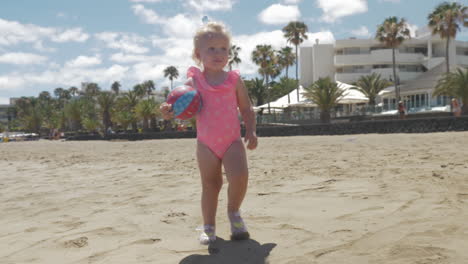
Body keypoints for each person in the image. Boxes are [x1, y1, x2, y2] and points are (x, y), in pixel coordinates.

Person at [160, 22, 258, 245]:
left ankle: (234, 212)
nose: (218, 53)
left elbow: (246, 108)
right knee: (210, 185)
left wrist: (251, 130)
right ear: (198, 54)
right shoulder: (194, 81)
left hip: (232, 140)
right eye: (211, 49)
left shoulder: (233, 80)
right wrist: (167, 112)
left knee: (240, 176)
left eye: (223, 48)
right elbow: (175, 106)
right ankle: (209, 226)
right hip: (206, 143)